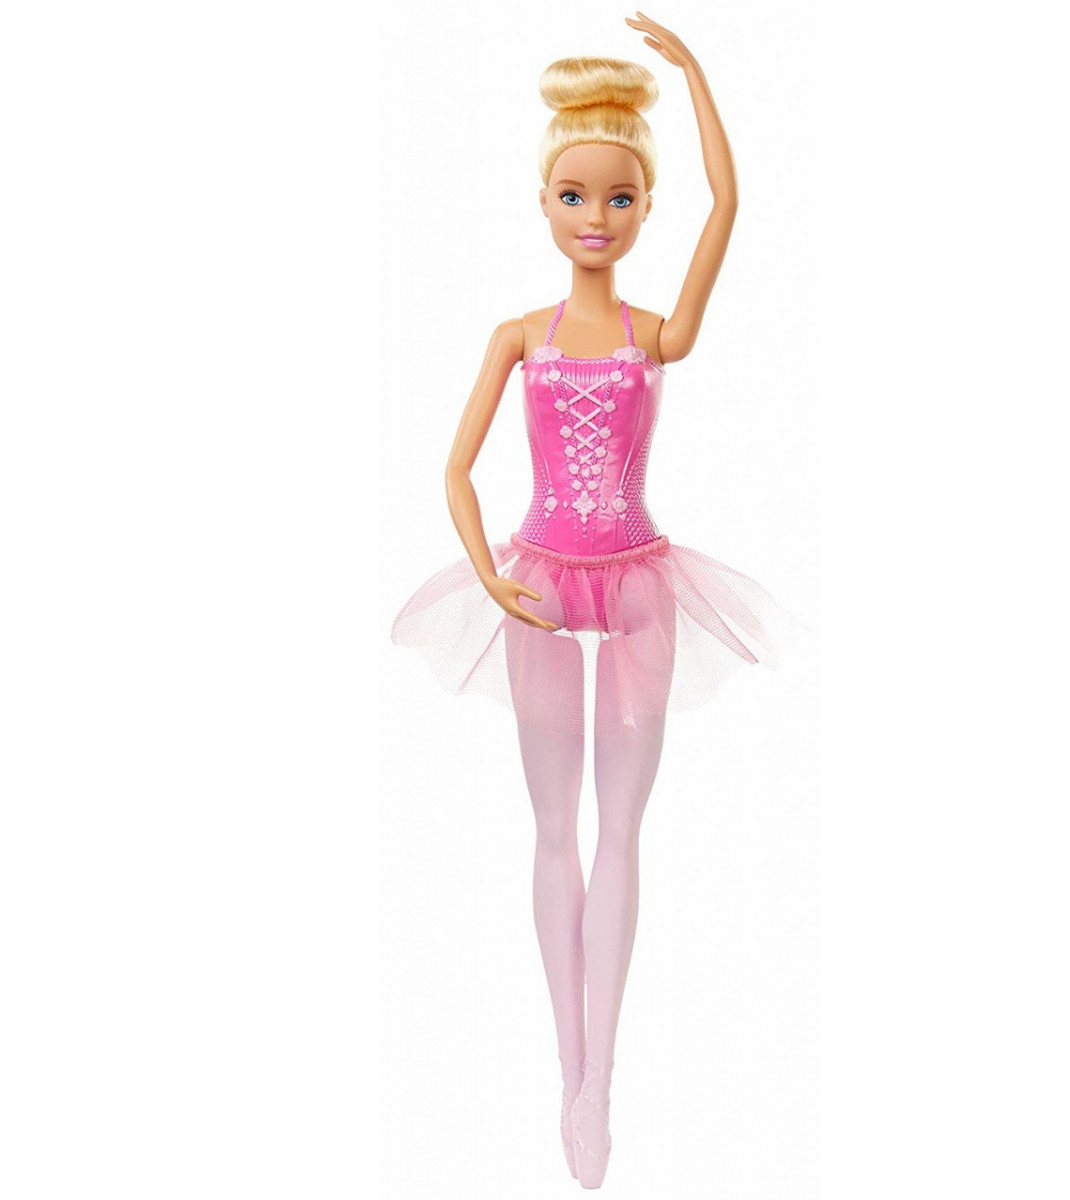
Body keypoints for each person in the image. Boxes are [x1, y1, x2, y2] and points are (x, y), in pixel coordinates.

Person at [391, 15, 800, 1188]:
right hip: (536, 576)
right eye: (575, 196)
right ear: (543, 202)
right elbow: (454, 469)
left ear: (644, 208)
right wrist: (487, 575)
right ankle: (563, 1060)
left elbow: (730, 206)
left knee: (621, 828)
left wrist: (697, 73)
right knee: (552, 826)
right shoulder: (516, 336)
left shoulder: (653, 335)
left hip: (636, 578)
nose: (596, 217)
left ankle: (597, 1083)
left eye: (619, 200)